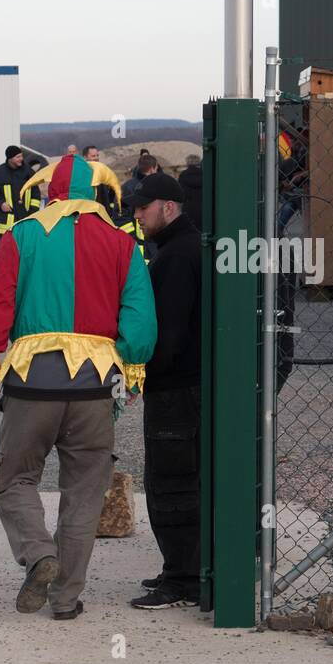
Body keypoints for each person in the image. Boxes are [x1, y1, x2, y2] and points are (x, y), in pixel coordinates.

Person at [0, 154, 157, 620]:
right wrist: (130, 370)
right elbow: (140, 319)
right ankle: (66, 599)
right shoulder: (122, 242)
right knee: (85, 492)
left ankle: (38, 554)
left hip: (31, 382)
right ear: (95, 192)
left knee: (11, 479)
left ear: (49, 190)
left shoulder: (22, 235)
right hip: (96, 386)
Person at [124, 172, 202, 609]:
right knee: (182, 478)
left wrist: (142, 375)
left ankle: (185, 580)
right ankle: (184, 569)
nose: (137, 214)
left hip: (176, 390)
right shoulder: (183, 247)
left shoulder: (175, 256)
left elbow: (167, 334)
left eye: (143, 206)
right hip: (187, 386)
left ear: (168, 207)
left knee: (172, 483)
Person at [0, 146, 40, 235]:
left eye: (21, 156)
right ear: (10, 158)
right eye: (18, 157)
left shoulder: (28, 171)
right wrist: (1, 204)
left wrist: (32, 212)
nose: (21, 159)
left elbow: (36, 193)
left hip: (26, 220)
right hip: (7, 225)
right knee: (8, 249)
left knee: (25, 248)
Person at [178, 153, 203, 229]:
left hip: (188, 208)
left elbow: (181, 193)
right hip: (203, 209)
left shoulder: (183, 175)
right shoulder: (205, 175)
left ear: (187, 163)